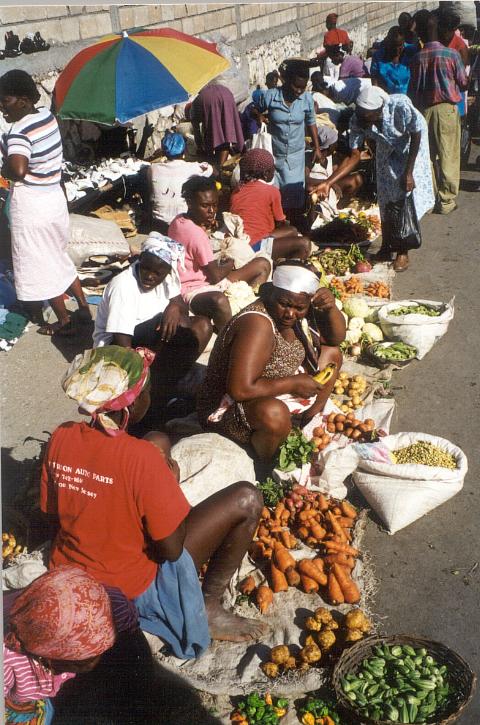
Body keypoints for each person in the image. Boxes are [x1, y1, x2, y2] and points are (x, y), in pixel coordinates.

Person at [40, 346, 268, 649]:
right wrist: (168, 487)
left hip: (70, 567)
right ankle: (208, 608)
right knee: (247, 498)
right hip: (128, 585)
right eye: (147, 389)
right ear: (130, 405)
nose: (151, 393)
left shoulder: (62, 435)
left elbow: (52, 510)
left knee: (158, 439)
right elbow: (172, 551)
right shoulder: (142, 459)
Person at [197, 262, 345, 465]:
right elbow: (239, 390)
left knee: (333, 356)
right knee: (274, 414)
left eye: (299, 308)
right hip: (228, 406)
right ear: (270, 293)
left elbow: (335, 339)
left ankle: (301, 424)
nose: (290, 314)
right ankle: (266, 460)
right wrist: (294, 383)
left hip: (273, 387)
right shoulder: (257, 324)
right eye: (284, 304)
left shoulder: (299, 306)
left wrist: (330, 308)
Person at [0, 69, 91, 336]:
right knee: (57, 255)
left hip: (32, 205)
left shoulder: (18, 131)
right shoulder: (46, 116)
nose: (2, 107)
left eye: (6, 101)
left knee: (40, 264)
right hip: (53, 199)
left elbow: (17, 169)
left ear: (24, 101)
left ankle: (64, 321)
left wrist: (5, 164)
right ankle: (83, 307)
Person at [312, 87, 434, 272]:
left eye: (368, 117)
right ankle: (386, 246)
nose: (364, 122)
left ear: (380, 110)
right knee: (385, 195)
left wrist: (408, 172)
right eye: (362, 116)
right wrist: (328, 182)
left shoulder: (399, 107)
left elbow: (416, 133)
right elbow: (354, 155)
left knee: (404, 195)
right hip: (386, 144)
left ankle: (403, 251)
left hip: (411, 145)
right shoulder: (358, 119)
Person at [93, 233, 212, 415]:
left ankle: (166, 385)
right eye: (146, 269)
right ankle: (153, 396)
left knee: (202, 325)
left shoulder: (168, 274)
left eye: (157, 273)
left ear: (167, 270)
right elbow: (122, 344)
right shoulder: (124, 286)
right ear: (140, 260)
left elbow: (180, 304)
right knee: (174, 325)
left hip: (151, 335)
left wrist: (173, 305)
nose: (150, 276)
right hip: (118, 347)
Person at [3, 565, 136, 723]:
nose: (97, 659)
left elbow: (125, 613)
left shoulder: (50, 600)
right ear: (48, 657)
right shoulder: (8, 663)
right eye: (81, 663)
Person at [168, 175, 270, 330]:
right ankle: (228, 335)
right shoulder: (195, 233)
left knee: (261, 264)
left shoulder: (178, 220)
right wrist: (230, 263)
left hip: (201, 279)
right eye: (205, 206)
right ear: (189, 203)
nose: (211, 211)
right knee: (220, 300)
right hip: (191, 289)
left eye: (214, 206)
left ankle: (250, 306)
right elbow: (215, 276)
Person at [409, 12, 468, 215]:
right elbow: (463, 82)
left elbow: (414, 89)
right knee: (449, 154)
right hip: (446, 110)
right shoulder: (451, 55)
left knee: (429, 156)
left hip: (424, 110)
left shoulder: (418, 58)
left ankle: (432, 197)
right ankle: (446, 200)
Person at [257, 59, 322, 227]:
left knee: (294, 198)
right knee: (273, 197)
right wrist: (259, 117)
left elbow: (311, 122)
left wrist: (317, 147)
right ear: (286, 80)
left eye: (303, 87)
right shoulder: (271, 96)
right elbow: (254, 109)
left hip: (295, 157)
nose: (299, 91)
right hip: (274, 156)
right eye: (296, 86)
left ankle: (293, 228)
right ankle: (275, 229)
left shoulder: (306, 99)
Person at [229, 149, 311, 260]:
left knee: (292, 231)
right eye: (273, 169)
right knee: (304, 244)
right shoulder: (271, 191)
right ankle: (284, 268)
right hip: (255, 246)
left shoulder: (236, 191)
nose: (275, 172)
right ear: (266, 173)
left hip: (240, 243)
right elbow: (280, 223)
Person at [148, 131, 213, 234]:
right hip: (180, 223)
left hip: (158, 223)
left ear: (164, 152)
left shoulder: (153, 169)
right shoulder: (191, 168)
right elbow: (210, 170)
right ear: (183, 151)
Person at [190, 83, 245, 166]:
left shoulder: (197, 101)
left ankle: (217, 167)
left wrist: (200, 147)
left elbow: (196, 128)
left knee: (214, 134)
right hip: (227, 96)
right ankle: (221, 166)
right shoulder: (224, 90)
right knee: (226, 133)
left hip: (209, 99)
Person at [371, 26, 418, 95]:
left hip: (410, 98)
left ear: (403, 42)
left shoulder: (412, 51)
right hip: (388, 99)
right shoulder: (378, 57)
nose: (397, 50)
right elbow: (375, 80)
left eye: (400, 46)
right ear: (388, 43)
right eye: (393, 46)